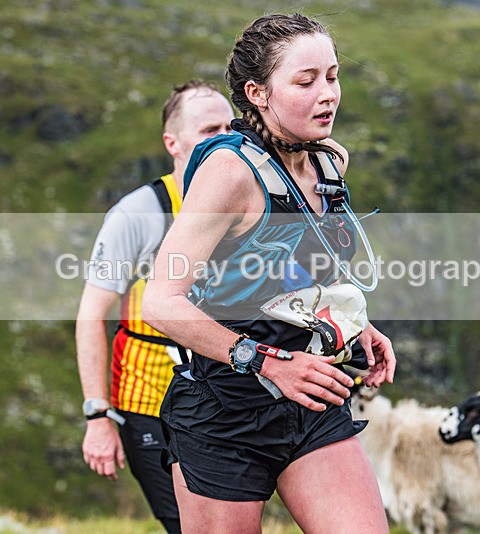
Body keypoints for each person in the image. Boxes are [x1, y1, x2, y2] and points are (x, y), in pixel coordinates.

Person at [141, 13, 396, 534]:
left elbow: (304, 270)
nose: (328, 94)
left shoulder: (329, 164)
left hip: (311, 396)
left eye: (332, 76)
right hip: (224, 412)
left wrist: (355, 324)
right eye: (306, 81)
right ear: (257, 93)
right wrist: (271, 363)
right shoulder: (229, 173)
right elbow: (160, 302)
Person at [75, 80, 234, 534]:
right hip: (150, 402)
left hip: (228, 398)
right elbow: (92, 315)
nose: (225, 138)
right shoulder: (139, 213)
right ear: (173, 143)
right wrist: (97, 416)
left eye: (231, 127)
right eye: (209, 130)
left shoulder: (249, 200)